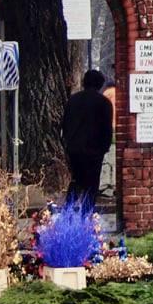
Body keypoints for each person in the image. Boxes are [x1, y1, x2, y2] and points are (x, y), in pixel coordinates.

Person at [61, 69, 113, 209]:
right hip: (94, 150)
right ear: (100, 84)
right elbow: (107, 129)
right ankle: (87, 214)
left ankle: (69, 210)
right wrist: (104, 147)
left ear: (84, 82)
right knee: (92, 183)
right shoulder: (104, 103)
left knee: (77, 180)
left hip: (75, 148)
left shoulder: (73, 100)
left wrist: (68, 142)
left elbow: (65, 124)